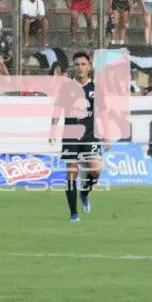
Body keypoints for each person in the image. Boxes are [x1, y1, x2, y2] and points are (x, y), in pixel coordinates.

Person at [51, 51, 107, 223]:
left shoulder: (95, 88)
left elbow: (103, 112)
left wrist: (107, 135)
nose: (80, 67)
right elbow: (57, 110)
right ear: (73, 67)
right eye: (77, 64)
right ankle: (74, 214)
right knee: (71, 173)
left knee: (96, 170)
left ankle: (84, 192)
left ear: (89, 66)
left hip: (90, 135)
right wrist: (52, 130)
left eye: (83, 64)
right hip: (71, 136)